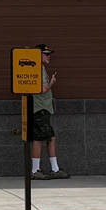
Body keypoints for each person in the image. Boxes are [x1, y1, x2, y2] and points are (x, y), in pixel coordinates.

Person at [29, 47, 66, 179]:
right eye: (46, 54)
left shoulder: (40, 68)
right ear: (38, 55)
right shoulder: (36, 69)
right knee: (38, 140)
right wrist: (51, 83)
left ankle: (55, 169)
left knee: (51, 138)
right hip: (40, 109)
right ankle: (34, 170)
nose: (49, 56)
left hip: (45, 109)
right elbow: (42, 89)